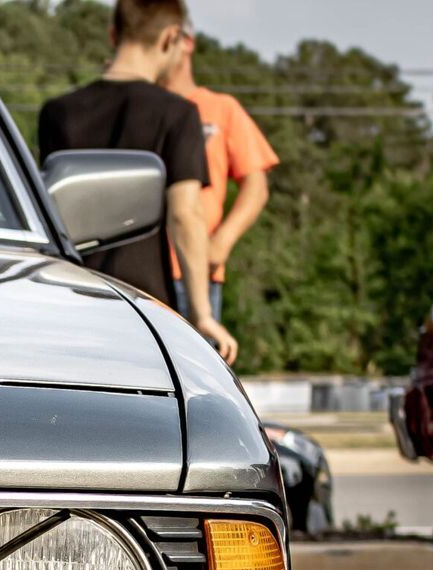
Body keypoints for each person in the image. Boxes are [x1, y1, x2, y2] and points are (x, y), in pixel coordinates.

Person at [39, 0, 239, 364]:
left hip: (72, 300)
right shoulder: (177, 114)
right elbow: (185, 215)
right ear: (170, 39)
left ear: (113, 34)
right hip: (145, 311)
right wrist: (202, 314)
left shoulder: (58, 112)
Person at [162, 20, 280, 328]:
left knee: (196, 371)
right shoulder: (141, 107)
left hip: (197, 273)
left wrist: (221, 243)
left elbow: (256, 185)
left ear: (186, 42)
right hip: (137, 272)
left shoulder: (221, 108)